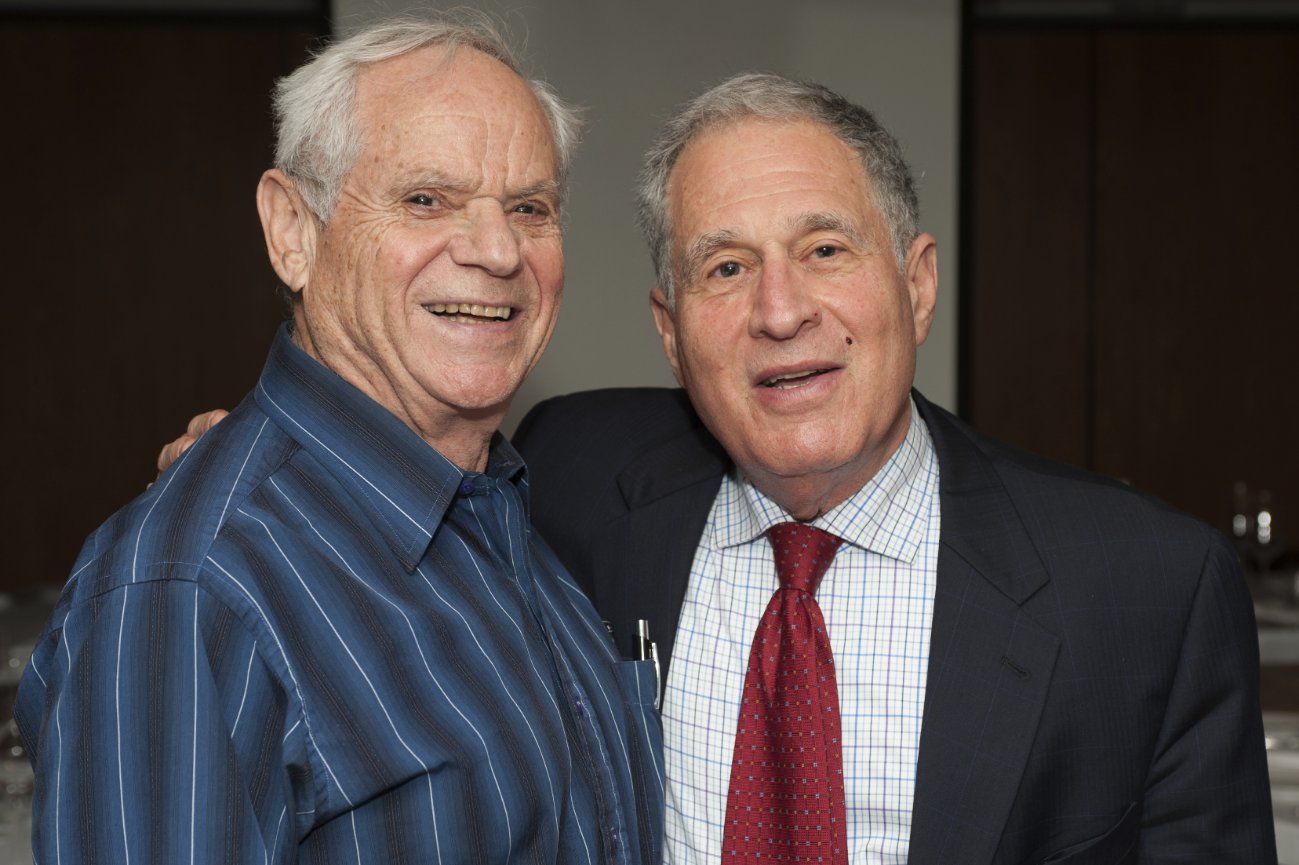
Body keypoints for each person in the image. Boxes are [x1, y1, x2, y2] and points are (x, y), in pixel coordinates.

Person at [159, 75, 1277, 863]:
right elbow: (400, 487)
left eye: (825, 248)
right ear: (669, 327)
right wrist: (275, 465)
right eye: (725, 267)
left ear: (917, 283)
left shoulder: (1144, 590)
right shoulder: (574, 475)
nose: (781, 311)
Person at [17, 16, 662, 865]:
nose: (498, 250)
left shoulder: (515, 519)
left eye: (529, 208)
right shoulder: (186, 593)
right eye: (426, 199)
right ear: (293, 230)